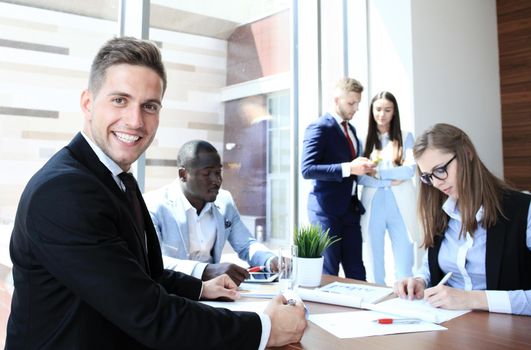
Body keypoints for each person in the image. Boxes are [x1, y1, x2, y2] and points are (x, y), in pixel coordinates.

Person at [6, 37, 306, 349]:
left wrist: (201, 288)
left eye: (149, 106)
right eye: (120, 100)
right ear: (87, 103)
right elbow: (149, 313)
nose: (135, 121)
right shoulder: (64, 191)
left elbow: (142, 275)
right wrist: (265, 328)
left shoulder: (115, 177)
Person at [394, 123, 531, 315]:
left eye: (440, 170)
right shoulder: (441, 211)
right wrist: (420, 280)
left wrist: (471, 299)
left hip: (505, 333)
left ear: (467, 153)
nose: (436, 183)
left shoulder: (523, 210)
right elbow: (430, 264)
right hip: (448, 327)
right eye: (428, 176)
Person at [144, 140, 277, 285]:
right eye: (207, 174)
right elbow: (151, 262)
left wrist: (270, 260)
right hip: (172, 294)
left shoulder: (224, 201)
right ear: (183, 174)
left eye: (218, 172)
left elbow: (246, 244)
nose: (217, 180)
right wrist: (206, 270)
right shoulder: (154, 205)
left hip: (216, 293)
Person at [301, 77, 375, 280]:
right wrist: (349, 168)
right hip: (326, 212)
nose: (356, 108)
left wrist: (364, 168)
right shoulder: (319, 127)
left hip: (350, 211)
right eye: (351, 103)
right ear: (337, 100)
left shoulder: (351, 130)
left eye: (358, 103)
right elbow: (307, 169)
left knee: (357, 271)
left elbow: (350, 170)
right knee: (329, 272)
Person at [359, 91, 418, 285]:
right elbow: (360, 177)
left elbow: (409, 170)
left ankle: (406, 296)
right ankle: (378, 296)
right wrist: (388, 179)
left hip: (400, 203)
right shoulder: (363, 139)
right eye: (378, 109)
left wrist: (378, 174)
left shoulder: (406, 137)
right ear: (372, 111)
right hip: (373, 204)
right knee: (374, 257)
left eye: (387, 110)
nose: (382, 114)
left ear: (394, 112)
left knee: (404, 255)